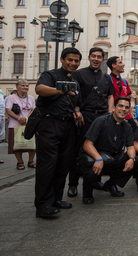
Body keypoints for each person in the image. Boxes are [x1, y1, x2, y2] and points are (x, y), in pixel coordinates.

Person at [34, 47, 84, 218]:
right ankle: (43, 205)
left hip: (68, 126)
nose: (73, 63)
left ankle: (56, 199)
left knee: (63, 164)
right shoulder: (50, 75)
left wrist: (77, 111)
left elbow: (77, 102)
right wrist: (60, 90)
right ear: (62, 59)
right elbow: (39, 89)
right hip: (49, 124)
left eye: (76, 61)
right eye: (70, 60)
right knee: (47, 165)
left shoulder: (75, 82)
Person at [67, 47, 116, 198]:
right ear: (89, 57)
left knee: (100, 149)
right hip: (84, 116)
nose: (96, 59)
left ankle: (96, 180)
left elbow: (109, 97)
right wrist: (77, 111)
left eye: (99, 57)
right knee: (78, 150)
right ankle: (73, 185)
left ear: (103, 59)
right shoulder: (79, 74)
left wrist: (109, 115)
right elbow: (73, 95)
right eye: (93, 56)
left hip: (101, 117)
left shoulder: (106, 77)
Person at [79, 97, 138, 205]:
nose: (123, 109)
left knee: (135, 161)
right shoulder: (101, 121)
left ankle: (111, 184)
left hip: (112, 158)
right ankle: (87, 194)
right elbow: (87, 144)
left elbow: (130, 147)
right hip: (94, 157)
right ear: (113, 108)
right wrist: (98, 158)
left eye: (126, 107)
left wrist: (132, 159)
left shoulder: (127, 126)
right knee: (92, 172)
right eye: (120, 106)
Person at [5, 80, 36, 170]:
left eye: (27, 86)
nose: (25, 87)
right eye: (23, 85)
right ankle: (20, 162)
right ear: (17, 87)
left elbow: (33, 109)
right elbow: (8, 110)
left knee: (32, 143)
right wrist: (18, 118)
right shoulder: (11, 97)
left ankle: (31, 161)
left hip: (28, 123)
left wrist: (26, 118)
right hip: (15, 124)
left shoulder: (31, 98)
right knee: (16, 144)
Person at [106, 56, 137, 131]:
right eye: (120, 62)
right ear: (113, 65)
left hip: (128, 117)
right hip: (116, 116)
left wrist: (133, 118)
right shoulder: (107, 79)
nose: (123, 64)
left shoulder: (124, 81)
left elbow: (128, 100)